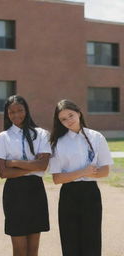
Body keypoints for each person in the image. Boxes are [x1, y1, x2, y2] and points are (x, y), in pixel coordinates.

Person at [49, 99, 113, 256]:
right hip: (68, 195)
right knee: (70, 241)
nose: (68, 121)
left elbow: (105, 171)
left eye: (70, 115)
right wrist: (83, 172)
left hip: (91, 193)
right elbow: (57, 179)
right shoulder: (58, 143)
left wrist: (86, 173)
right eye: (63, 119)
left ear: (79, 113)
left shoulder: (96, 137)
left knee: (92, 240)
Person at [0, 95, 51, 256]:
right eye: (11, 112)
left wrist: (13, 162)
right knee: (19, 249)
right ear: (7, 114)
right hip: (14, 192)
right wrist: (34, 167)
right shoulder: (3, 137)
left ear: (26, 110)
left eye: (20, 110)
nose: (16, 115)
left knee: (33, 249)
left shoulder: (41, 134)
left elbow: (43, 165)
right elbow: (3, 172)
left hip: (36, 191)